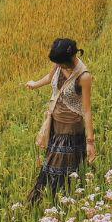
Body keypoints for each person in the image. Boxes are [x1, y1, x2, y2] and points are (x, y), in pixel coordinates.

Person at [25, 38, 95, 203]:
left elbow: (86, 110)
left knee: (55, 165)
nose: (59, 66)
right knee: (60, 164)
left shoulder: (84, 77)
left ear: (71, 58)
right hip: (55, 123)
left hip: (71, 127)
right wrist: (34, 84)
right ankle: (61, 196)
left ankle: (52, 201)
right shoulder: (59, 63)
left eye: (61, 64)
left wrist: (90, 141)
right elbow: (49, 78)